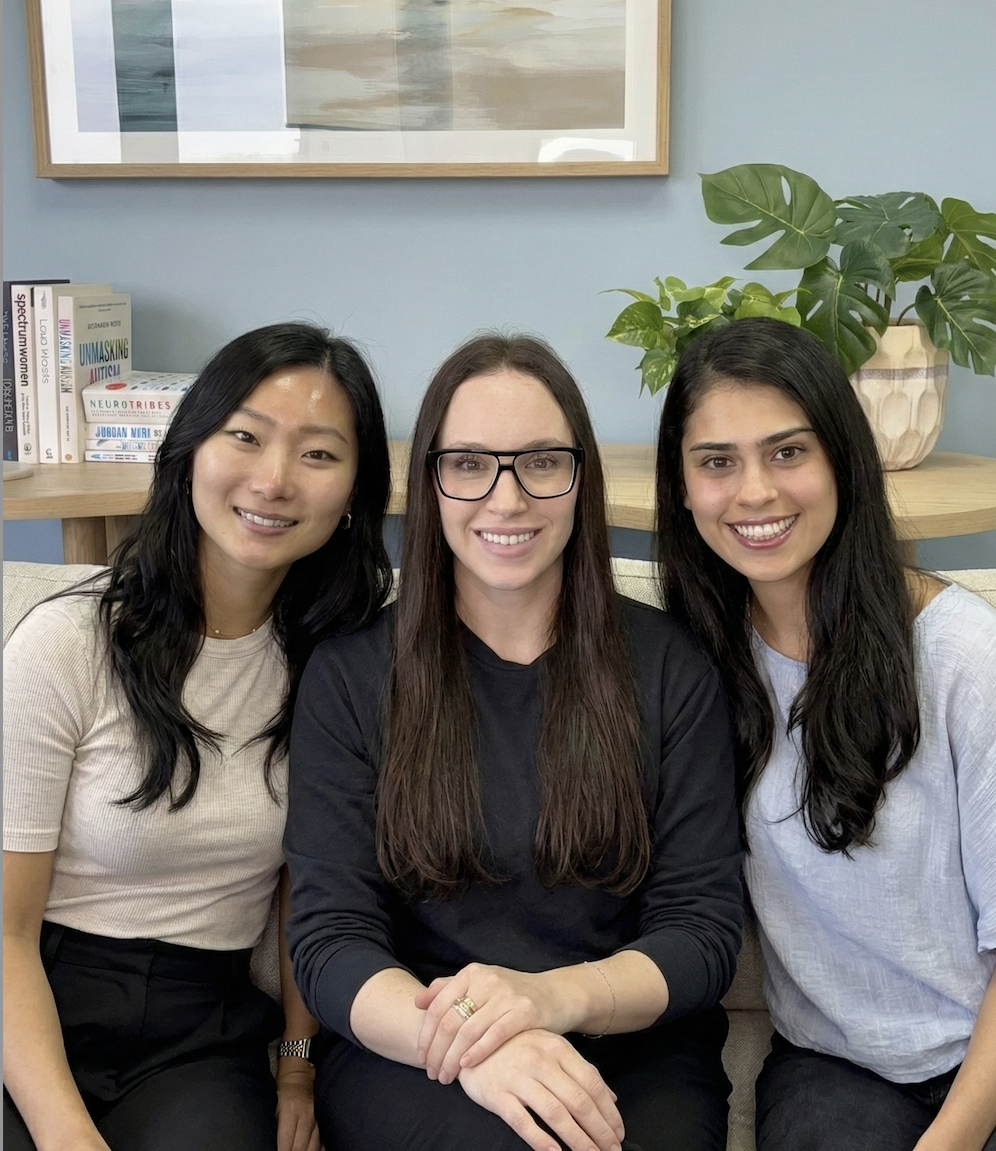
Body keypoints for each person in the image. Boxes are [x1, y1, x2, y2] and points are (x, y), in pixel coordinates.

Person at [284, 332, 743, 1151]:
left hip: (632, 1043)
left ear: (580, 477)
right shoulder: (349, 678)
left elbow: (702, 932)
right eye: (468, 464)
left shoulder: (671, 666)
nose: (506, 499)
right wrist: (476, 1040)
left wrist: (548, 1002)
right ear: (429, 481)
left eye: (540, 462)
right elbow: (330, 942)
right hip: (412, 1045)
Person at [3, 323, 393, 1151]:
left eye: (319, 455)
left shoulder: (342, 663)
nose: (274, 480)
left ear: (357, 490)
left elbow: (310, 891)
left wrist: (295, 1066)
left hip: (199, 1034)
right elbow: (4, 933)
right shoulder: (67, 643)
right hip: (35, 996)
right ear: (190, 451)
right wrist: (66, 1134)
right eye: (245, 437)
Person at [654, 318, 996, 1151]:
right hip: (833, 1069)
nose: (755, 494)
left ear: (842, 457)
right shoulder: (694, 664)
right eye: (717, 462)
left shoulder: (960, 654)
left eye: (787, 452)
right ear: (684, 485)